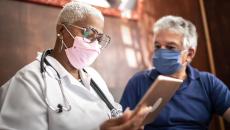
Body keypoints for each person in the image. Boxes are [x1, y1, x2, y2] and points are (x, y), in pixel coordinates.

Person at [0, 1, 151, 130]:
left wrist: (126, 122)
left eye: (98, 38)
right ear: (61, 30)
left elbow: (114, 112)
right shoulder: (28, 81)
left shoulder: (94, 77)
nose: (95, 45)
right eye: (88, 34)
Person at [120, 15, 230, 130]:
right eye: (157, 46)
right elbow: (122, 123)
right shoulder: (139, 82)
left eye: (170, 47)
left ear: (189, 54)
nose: (161, 51)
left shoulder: (207, 83)